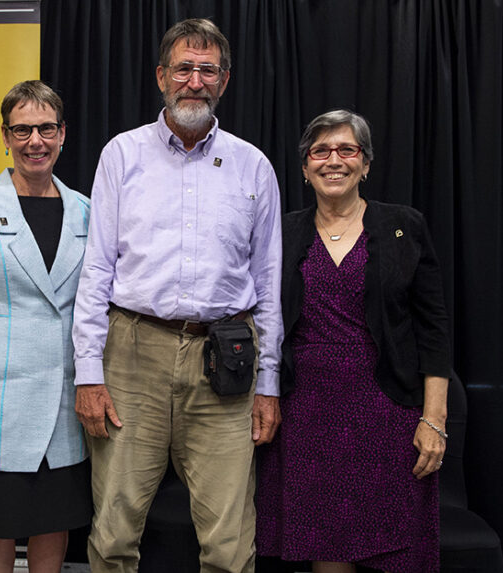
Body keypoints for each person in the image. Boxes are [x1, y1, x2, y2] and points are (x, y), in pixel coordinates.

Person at [72, 18, 283, 573]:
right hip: (131, 357)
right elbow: (96, 268)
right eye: (184, 68)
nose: (195, 80)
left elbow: (268, 284)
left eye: (207, 70)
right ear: (162, 76)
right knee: (114, 533)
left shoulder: (253, 166)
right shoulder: (122, 155)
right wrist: (88, 372)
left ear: (225, 80)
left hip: (227, 362)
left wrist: (269, 383)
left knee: (230, 545)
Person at [255, 109, 450, 573]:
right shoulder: (281, 232)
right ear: (304, 168)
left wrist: (435, 419)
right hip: (306, 414)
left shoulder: (404, 226)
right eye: (320, 151)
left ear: (365, 164)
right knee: (328, 547)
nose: (333, 160)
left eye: (347, 150)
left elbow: (434, 330)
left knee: (398, 547)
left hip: (388, 410)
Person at [0, 80, 92, 573]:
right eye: (22, 130)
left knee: (55, 524)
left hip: (67, 398)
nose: (35, 142)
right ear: (5, 135)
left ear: (63, 133)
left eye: (46, 129)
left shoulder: (88, 212)